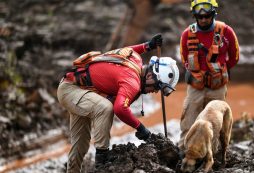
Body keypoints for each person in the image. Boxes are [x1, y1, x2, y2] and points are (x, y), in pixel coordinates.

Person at [57, 34, 180, 173]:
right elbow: (120, 109)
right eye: (157, 87)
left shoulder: (135, 58)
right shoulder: (132, 82)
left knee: (80, 145)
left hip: (81, 91)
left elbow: (129, 50)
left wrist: (147, 46)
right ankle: (102, 157)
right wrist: (142, 129)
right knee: (105, 108)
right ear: (150, 75)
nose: (154, 92)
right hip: (71, 90)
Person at [178, 0, 239, 149]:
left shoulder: (226, 31)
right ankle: (185, 152)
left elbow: (234, 56)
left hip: (217, 87)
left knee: (216, 125)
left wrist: (222, 70)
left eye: (207, 16)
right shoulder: (187, 34)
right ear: (195, 16)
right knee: (188, 121)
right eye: (200, 17)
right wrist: (198, 74)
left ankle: (214, 155)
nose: (204, 20)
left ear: (213, 14)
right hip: (195, 87)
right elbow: (184, 58)